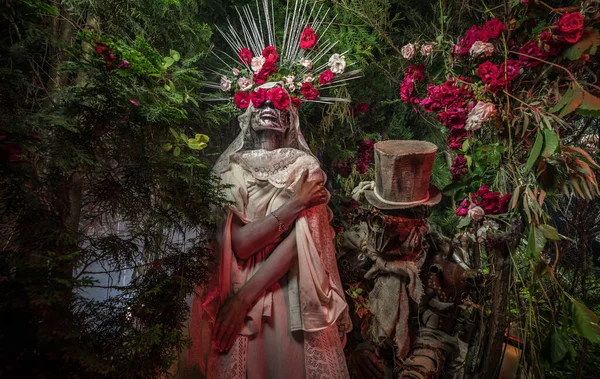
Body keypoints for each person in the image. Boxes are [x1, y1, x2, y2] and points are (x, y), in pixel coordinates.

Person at [185, 82, 351, 379]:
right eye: (261, 101)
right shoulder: (232, 168)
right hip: (240, 303)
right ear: (248, 114)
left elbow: (304, 241)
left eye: (278, 104)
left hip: (291, 298)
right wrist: (294, 205)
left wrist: (243, 299)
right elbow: (242, 244)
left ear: (290, 119)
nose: (269, 110)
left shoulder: (306, 167)